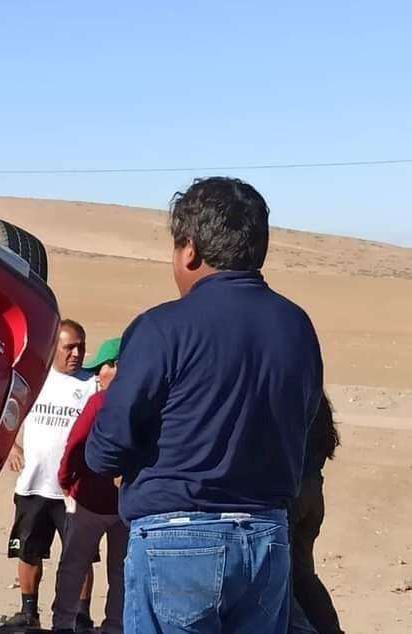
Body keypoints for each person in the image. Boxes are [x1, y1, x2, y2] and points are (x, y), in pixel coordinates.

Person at [85, 176, 323, 634]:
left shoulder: (162, 328)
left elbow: (104, 449)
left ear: (189, 250)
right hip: (266, 540)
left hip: (175, 539)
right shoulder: (296, 327)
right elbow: (306, 424)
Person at [4, 319, 98, 630]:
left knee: (79, 556)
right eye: (69, 347)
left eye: (81, 347)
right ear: (54, 348)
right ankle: (28, 612)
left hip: (73, 491)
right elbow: (7, 413)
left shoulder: (91, 384)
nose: (76, 354)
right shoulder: (35, 381)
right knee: (29, 551)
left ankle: (81, 616)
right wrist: (12, 447)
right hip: (33, 485)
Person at [52, 337, 127, 634]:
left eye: (101, 368)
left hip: (91, 501)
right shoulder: (151, 402)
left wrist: (65, 479)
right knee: (121, 570)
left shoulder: (99, 402)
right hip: (127, 503)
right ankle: (115, 626)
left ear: (117, 366)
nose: (96, 376)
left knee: (74, 565)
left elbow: (75, 443)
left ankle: (63, 623)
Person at [289, 391, 343, 634]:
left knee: (282, 581)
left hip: (293, 496)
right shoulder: (316, 403)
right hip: (313, 493)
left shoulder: (287, 400)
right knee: (302, 575)